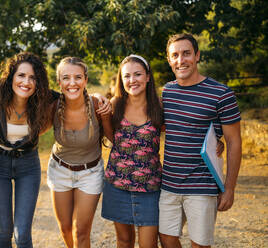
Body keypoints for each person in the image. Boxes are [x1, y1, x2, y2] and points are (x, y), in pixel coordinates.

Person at [159, 33, 242, 248]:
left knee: (200, 245)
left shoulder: (221, 94)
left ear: (197, 56)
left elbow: (234, 142)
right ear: (169, 60)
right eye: (175, 55)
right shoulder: (166, 93)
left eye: (186, 54)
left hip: (202, 186)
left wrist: (229, 188)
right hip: (169, 184)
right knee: (166, 240)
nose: (181, 60)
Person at [0, 52, 55, 248]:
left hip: (28, 166)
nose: (26, 82)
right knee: (4, 231)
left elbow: (74, 95)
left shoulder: (45, 99)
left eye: (33, 77)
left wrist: (97, 97)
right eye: (21, 75)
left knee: (22, 234)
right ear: (11, 77)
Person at [47, 57, 112, 248]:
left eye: (78, 77)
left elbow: (113, 138)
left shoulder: (97, 105)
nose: (72, 83)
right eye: (66, 78)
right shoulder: (53, 107)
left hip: (90, 173)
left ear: (85, 80)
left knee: (81, 232)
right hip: (60, 170)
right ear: (59, 82)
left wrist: (107, 109)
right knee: (66, 228)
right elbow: (34, 129)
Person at [101, 55, 163, 248]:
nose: (132, 80)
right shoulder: (115, 104)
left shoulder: (159, 106)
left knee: (148, 244)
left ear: (147, 77)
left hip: (150, 187)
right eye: (127, 76)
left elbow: (181, 132)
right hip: (117, 183)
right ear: (122, 79)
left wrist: (214, 141)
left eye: (138, 74)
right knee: (125, 241)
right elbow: (113, 139)